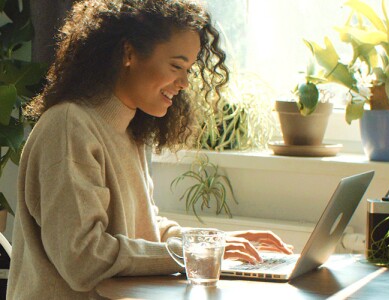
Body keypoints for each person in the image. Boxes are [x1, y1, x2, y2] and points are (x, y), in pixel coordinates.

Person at [7, 0, 293, 299]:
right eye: (176, 66)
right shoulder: (68, 127)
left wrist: (208, 243)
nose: (183, 82)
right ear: (129, 54)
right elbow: (83, 258)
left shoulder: (132, 130)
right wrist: (187, 254)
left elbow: (143, 228)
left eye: (189, 70)